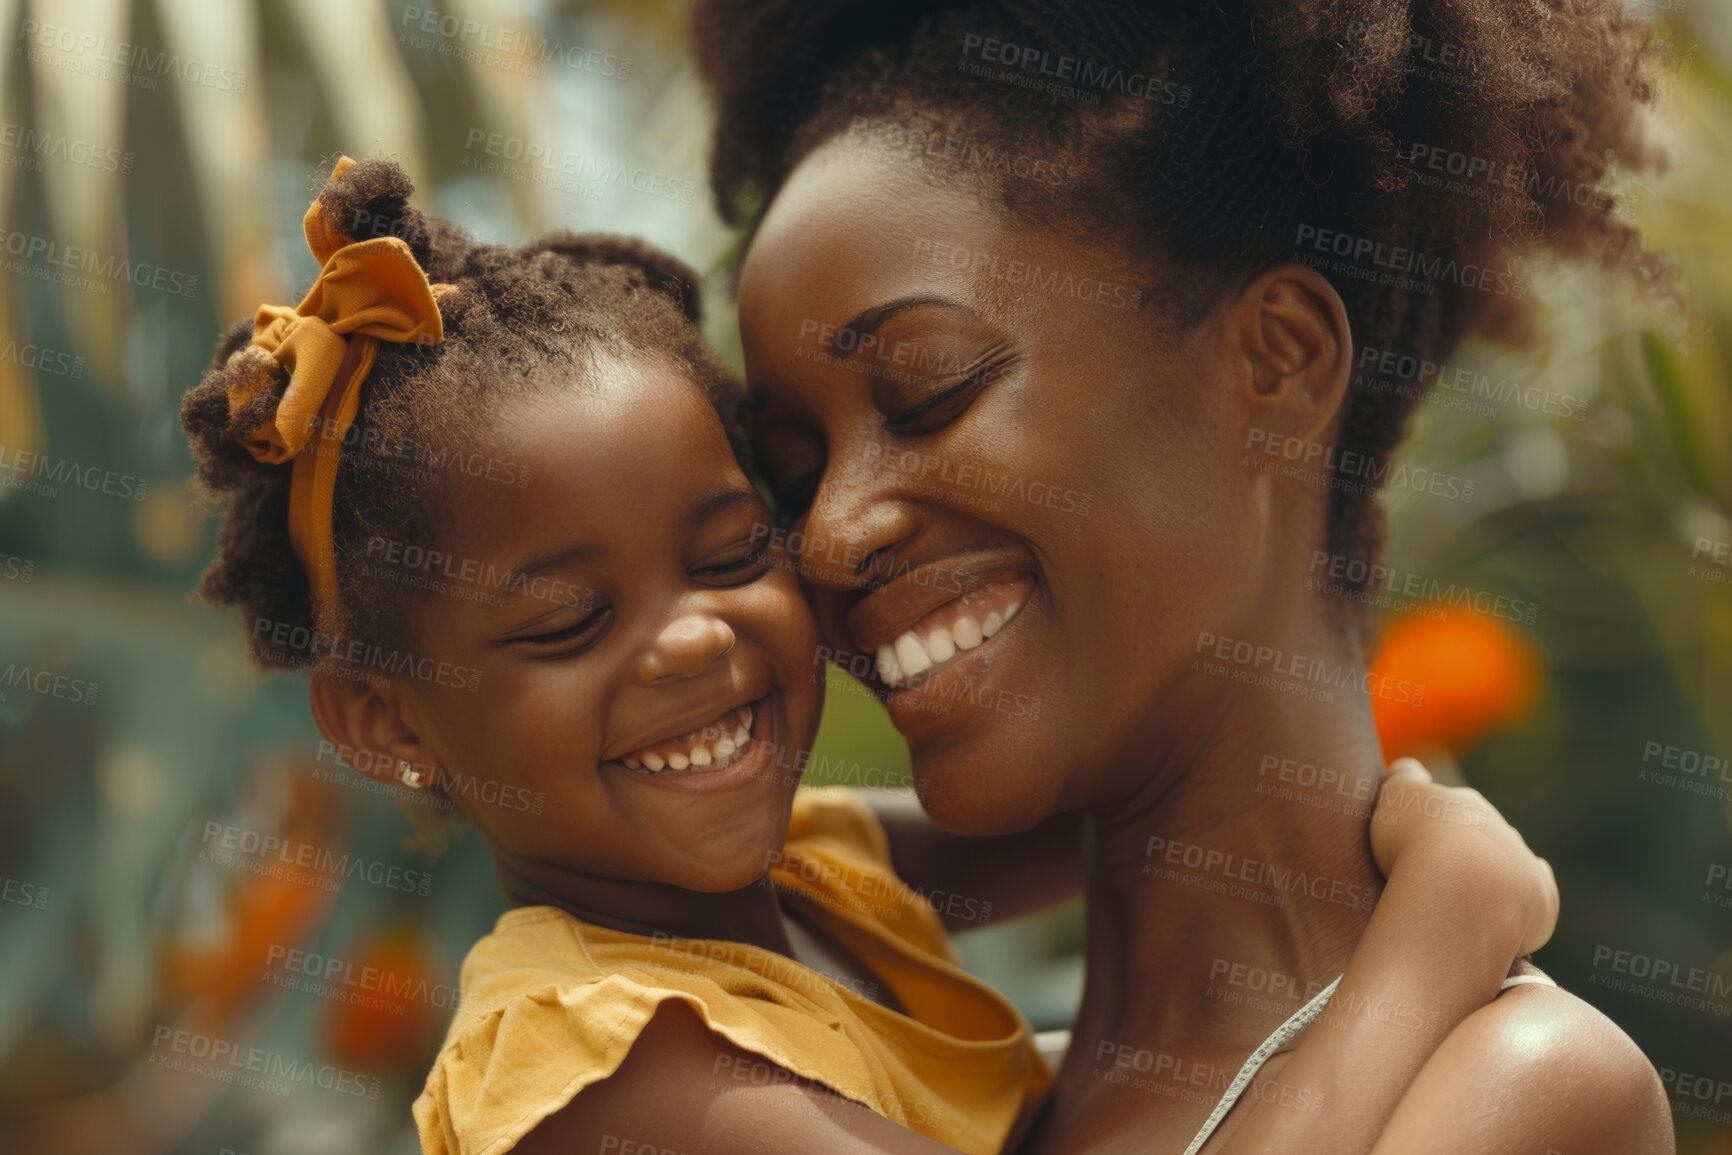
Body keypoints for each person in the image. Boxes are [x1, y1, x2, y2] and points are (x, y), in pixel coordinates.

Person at [183, 157, 1564, 1155]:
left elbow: (1129, 776)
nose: (697, 632)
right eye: (566, 623)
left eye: (735, 547)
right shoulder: (605, 1067)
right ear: (381, 717)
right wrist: (1441, 930)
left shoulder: (825, 877)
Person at [695, 0, 1679, 1151]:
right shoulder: (910, 1108)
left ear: (1278, 362)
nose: (829, 539)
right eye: (792, 476)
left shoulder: (1524, 1091)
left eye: (929, 394)